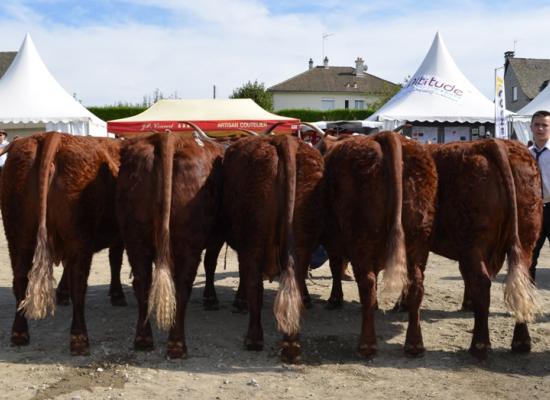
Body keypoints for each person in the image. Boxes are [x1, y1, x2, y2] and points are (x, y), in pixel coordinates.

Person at [529, 110, 550, 281]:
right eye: (537, 125)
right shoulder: (525, 154)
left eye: (545, 125)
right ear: (531, 127)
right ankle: (528, 300)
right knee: (529, 256)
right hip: (533, 210)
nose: (540, 128)